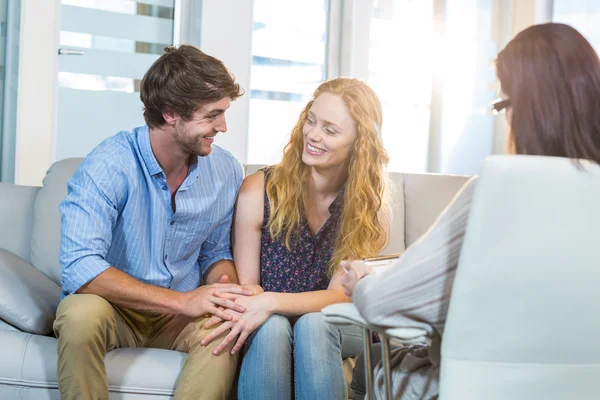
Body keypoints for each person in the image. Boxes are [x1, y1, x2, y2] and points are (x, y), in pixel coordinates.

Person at [342, 22, 600, 400]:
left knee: (379, 367)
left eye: (503, 105)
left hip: (470, 389)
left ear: (528, 109)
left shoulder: (496, 192)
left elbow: (385, 304)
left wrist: (362, 282)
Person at [54, 45, 254, 400]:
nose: (222, 127)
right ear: (170, 113)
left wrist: (225, 290)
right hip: (113, 308)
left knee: (227, 327)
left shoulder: (225, 170)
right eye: (213, 115)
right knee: (78, 314)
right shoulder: (109, 164)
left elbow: (215, 252)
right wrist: (181, 302)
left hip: (178, 318)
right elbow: (80, 267)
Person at [199, 77, 392, 399]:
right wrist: (266, 303)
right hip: (266, 321)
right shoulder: (258, 189)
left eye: (330, 130)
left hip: (333, 324)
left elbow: (340, 296)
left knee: (315, 325)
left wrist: (273, 301)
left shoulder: (368, 205)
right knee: (272, 327)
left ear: (360, 142)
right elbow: (250, 289)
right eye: (311, 121)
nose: (313, 135)